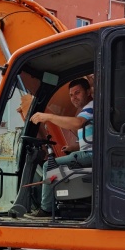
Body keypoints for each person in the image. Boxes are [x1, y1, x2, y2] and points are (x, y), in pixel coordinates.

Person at [29, 78, 93, 217]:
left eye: (77, 93)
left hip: (91, 155)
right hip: (89, 152)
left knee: (48, 166)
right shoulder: (86, 110)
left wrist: (49, 117)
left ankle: (46, 209)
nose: (73, 98)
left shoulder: (91, 107)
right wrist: (72, 147)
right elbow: (92, 139)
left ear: (88, 91)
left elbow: (77, 123)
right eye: (71, 95)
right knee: (58, 165)